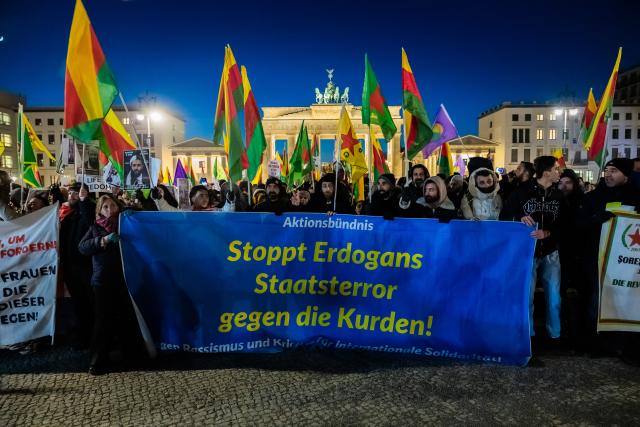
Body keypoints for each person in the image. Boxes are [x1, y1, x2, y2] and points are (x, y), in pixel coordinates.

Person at [577, 158, 640, 357]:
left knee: (627, 301)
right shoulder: (592, 198)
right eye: (606, 170)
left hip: (626, 264)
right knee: (597, 301)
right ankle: (595, 344)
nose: (609, 174)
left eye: (614, 170)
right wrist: (596, 219)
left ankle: (626, 345)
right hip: (598, 261)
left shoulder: (637, 198)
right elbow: (579, 225)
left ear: (626, 175)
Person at [78, 195, 146, 375]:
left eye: (112, 205)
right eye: (105, 207)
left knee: (127, 318)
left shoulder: (127, 223)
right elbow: (82, 247)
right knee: (103, 320)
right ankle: (98, 360)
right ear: (99, 211)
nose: (110, 210)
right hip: (103, 281)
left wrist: (135, 214)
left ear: (118, 206)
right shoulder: (96, 227)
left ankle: (132, 355)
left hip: (126, 279)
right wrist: (103, 241)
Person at [502, 156, 564, 344]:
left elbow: (566, 223)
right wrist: (519, 217)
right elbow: (505, 215)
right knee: (526, 296)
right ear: (546, 172)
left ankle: (555, 334)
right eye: (556, 169)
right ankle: (528, 335)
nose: (558, 173)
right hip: (528, 252)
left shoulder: (558, 195)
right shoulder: (521, 192)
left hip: (551, 252)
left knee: (554, 297)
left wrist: (549, 232)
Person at [59, 183, 96, 348]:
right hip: (70, 267)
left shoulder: (88, 211)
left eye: (76, 193)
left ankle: (95, 336)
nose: (71, 196)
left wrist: (84, 200)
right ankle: (83, 335)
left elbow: (90, 222)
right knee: (78, 303)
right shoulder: (67, 217)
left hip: (86, 266)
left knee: (91, 302)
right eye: (70, 193)